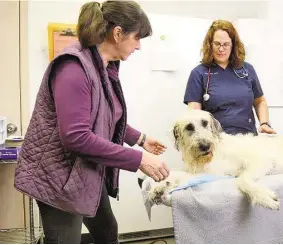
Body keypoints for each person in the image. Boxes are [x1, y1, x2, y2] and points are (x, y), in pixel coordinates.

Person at [14, 1, 170, 243]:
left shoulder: (103, 65)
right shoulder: (73, 67)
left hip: (84, 171)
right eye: (137, 38)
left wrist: (140, 139)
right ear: (118, 33)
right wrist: (139, 160)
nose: (139, 46)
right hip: (57, 177)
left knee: (107, 231)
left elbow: (104, 116)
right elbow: (77, 138)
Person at [183, 20, 276, 136]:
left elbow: (260, 101)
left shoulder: (247, 70)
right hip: (216, 142)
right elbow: (194, 116)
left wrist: (264, 123)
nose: (221, 49)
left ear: (233, 45)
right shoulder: (199, 73)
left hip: (248, 139)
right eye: (217, 44)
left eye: (226, 44)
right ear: (210, 44)